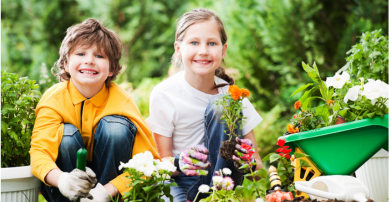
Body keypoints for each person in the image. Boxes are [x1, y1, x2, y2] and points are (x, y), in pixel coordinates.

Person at [30, 18, 160, 202]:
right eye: (81, 53)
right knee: (65, 136)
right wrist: (64, 180)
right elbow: (39, 154)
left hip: (108, 189)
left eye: (99, 56)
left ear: (112, 68)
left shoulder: (122, 102)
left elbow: (148, 162)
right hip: (64, 189)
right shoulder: (54, 99)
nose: (89, 60)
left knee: (116, 128)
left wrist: (107, 191)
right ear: (66, 63)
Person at [146, 8, 263, 202]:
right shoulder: (164, 94)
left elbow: (258, 169)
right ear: (178, 48)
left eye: (212, 43)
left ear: (223, 50)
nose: (203, 51)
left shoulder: (234, 96)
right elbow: (159, 164)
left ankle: (217, 196)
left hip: (225, 182)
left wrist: (247, 163)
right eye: (194, 42)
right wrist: (179, 162)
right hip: (182, 181)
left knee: (222, 105)